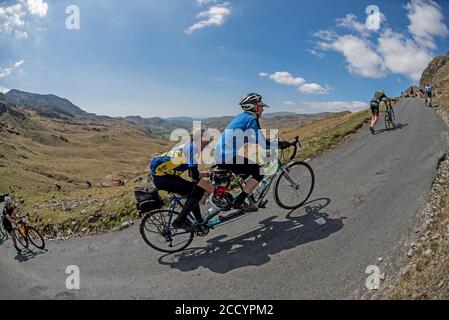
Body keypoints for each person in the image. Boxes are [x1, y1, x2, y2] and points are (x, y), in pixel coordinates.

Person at [214, 93, 290, 212]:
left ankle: (251, 199)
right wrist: (280, 145)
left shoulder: (242, 117)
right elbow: (263, 145)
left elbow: (253, 138)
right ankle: (239, 202)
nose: (263, 109)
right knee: (259, 172)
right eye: (261, 106)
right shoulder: (251, 119)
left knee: (248, 175)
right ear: (254, 107)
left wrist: (270, 142)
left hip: (222, 154)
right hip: (227, 156)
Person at [150, 129, 214, 231]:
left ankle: (199, 221)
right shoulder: (194, 147)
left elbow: (191, 172)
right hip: (162, 177)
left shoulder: (190, 145)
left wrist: (207, 174)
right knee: (197, 191)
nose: (209, 141)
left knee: (193, 192)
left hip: (165, 174)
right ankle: (179, 222)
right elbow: (194, 175)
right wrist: (210, 188)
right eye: (208, 139)